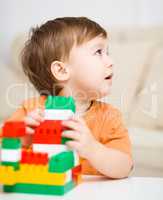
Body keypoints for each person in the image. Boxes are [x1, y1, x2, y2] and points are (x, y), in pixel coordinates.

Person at [1, 17, 133, 178]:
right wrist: (22, 140)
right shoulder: (30, 111)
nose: (111, 61)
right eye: (98, 52)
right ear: (62, 71)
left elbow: (125, 167)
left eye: (108, 52)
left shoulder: (110, 117)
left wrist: (93, 149)